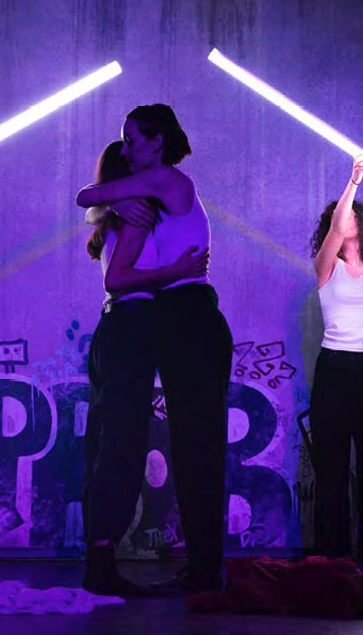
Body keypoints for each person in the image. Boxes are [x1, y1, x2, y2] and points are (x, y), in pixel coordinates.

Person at [77, 104, 233, 593]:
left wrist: (111, 204)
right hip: (170, 317)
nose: (126, 149)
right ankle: (203, 567)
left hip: (190, 315)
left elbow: (89, 193)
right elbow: (95, 205)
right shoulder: (149, 198)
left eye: (133, 140)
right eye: (124, 142)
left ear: (158, 142)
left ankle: (207, 568)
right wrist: (116, 209)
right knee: (186, 446)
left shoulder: (166, 179)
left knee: (198, 446)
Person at [308, 155, 363, 571]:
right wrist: (354, 182)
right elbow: (340, 226)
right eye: (345, 215)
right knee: (332, 466)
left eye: (359, 214)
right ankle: (332, 554)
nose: (351, 218)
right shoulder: (327, 267)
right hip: (335, 371)